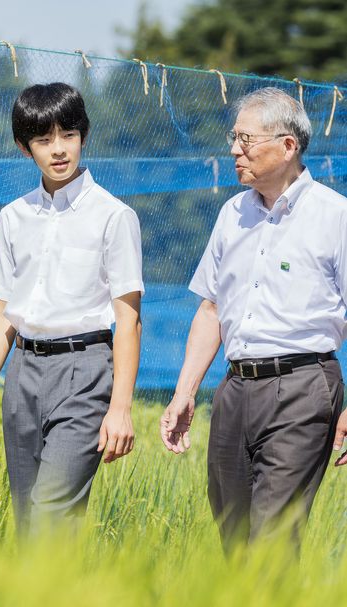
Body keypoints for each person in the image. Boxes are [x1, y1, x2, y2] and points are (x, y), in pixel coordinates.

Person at [160, 87, 347, 552]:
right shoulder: (231, 215)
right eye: (234, 138)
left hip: (304, 388)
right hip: (235, 388)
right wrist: (185, 392)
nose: (233, 150)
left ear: (287, 146)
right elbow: (210, 310)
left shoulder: (334, 217)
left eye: (246, 140)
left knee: (272, 540)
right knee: (234, 536)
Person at [0, 82, 144, 535]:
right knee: (28, 522)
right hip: (22, 372)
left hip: (85, 373)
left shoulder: (114, 216)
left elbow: (128, 318)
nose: (58, 150)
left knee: (50, 515)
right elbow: (3, 311)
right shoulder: (13, 217)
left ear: (84, 136)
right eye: (43, 140)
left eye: (68, 136)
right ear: (25, 148)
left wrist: (120, 407)